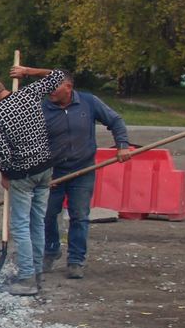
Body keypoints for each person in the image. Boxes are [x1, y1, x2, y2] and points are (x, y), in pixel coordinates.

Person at [0, 65, 67, 296]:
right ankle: (36, 272)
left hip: (22, 175)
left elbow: (3, 154)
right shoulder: (29, 94)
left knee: (20, 225)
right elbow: (58, 75)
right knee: (37, 222)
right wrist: (28, 72)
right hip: (46, 169)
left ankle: (26, 278)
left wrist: (5, 175)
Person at [42, 72, 134, 280]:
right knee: (47, 214)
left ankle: (76, 260)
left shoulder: (89, 102)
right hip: (53, 172)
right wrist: (40, 171)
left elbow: (116, 121)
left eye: (54, 88)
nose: (49, 92)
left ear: (68, 87)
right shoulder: (42, 109)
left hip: (82, 170)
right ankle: (51, 250)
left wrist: (122, 145)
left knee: (80, 216)